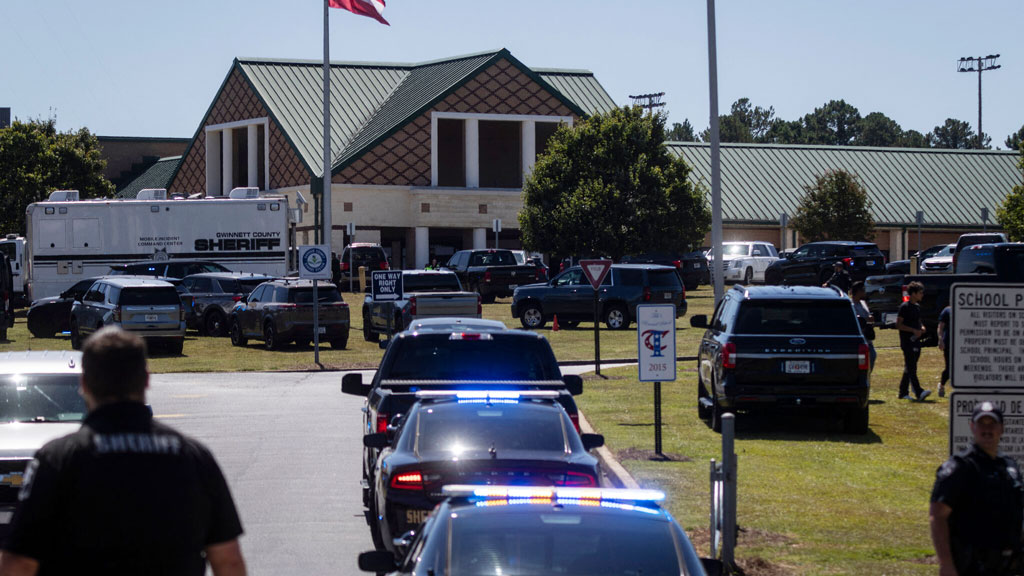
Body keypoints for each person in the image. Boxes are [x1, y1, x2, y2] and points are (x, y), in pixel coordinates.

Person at [0, 327, 247, 576]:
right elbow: (229, 561)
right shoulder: (193, 457)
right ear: (147, 378)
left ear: (84, 384)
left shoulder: (57, 460)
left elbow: (19, 564)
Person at [930, 401, 1023, 576]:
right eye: (981, 423)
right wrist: (946, 564)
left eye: (992, 423)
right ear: (972, 427)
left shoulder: (1009, 467)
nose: (987, 429)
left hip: (1007, 566)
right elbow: (937, 516)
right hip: (971, 565)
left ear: (1001, 428)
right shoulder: (960, 467)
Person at [896, 281, 932, 401]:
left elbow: (918, 321)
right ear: (914, 293)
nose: (922, 295)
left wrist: (921, 327)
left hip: (916, 341)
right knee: (911, 367)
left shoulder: (917, 307)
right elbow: (899, 325)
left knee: (909, 367)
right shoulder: (904, 307)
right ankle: (918, 391)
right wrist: (912, 330)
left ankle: (903, 392)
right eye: (920, 293)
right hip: (907, 341)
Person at [851, 281, 876, 371]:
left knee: (872, 355)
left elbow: (867, 315)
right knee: (862, 359)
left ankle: (867, 375)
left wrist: (870, 318)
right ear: (858, 291)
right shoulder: (851, 305)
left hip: (867, 335)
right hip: (859, 337)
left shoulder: (863, 303)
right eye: (863, 290)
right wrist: (865, 319)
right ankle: (861, 376)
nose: (865, 292)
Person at [938, 305, 952, 397]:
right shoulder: (947, 310)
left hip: (962, 344)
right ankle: (941, 385)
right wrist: (940, 339)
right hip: (949, 342)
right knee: (949, 368)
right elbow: (940, 327)